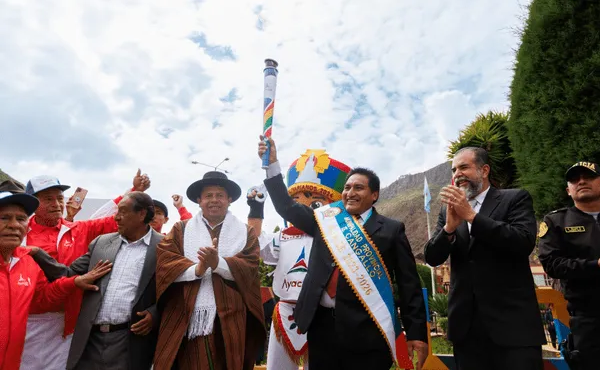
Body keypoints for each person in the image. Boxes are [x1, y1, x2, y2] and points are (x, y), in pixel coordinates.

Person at [259, 137, 428, 370]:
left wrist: (417, 334)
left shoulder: (391, 229)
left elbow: (410, 285)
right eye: (347, 188)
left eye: (358, 188)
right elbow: (286, 206)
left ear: (374, 195)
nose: (350, 193)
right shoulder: (325, 221)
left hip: (368, 332)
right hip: (321, 328)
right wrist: (272, 165)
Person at [424, 146, 545, 370]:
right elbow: (432, 257)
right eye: (453, 170)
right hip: (466, 329)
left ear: (484, 170)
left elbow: (522, 241)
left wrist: (471, 216)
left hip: (513, 326)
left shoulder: (514, 199)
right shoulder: (446, 211)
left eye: (463, 167)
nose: (457, 174)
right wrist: (449, 228)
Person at [20, 170, 150, 370]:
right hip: (28, 321)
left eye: (59, 198)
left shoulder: (78, 229)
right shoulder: (19, 234)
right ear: (32, 203)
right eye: (48, 199)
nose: (56, 204)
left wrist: (134, 191)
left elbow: (110, 218)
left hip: (69, 324)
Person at [247, 149, 352, 370]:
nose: (302, 206)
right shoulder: (283, 236)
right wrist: (256, 209)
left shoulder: (340, 236)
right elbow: (253, 245)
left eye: (314, 201)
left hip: (324, 315)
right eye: (295, 200)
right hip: (286, 313)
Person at [154, 171, 266, 370]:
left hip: (231, 314)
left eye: (220, 195)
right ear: (199, 200)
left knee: (229, 362)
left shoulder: (245, 231)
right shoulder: (181, 229)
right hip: (185, 313)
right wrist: (197, 269)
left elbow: (250, 266)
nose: (214, 200)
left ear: (229, 199)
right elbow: (165, 262)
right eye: (208, 195)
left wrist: (218, 263)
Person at [538, 161, 600, 369]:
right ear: (568, 190)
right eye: (575, 179)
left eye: (589, 177)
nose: (581, 181)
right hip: (590, 324)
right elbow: (552, 263)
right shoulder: (557, 221)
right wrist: (596, 266)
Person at [0, 190, 111, 370]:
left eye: (20, 219)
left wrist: (74, 282)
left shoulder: (27, 262)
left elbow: (43, 297)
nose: (14, 225)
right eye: (4, 218)